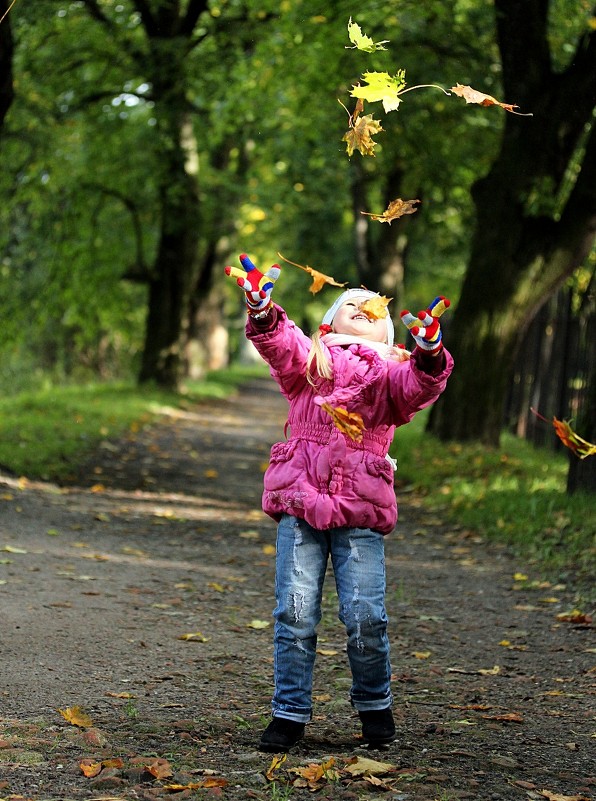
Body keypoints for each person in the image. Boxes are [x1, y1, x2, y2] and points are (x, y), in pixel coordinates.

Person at [225, 253, 454, 752]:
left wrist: (430, 352)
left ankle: (374, 707)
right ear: (328, 322)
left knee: (365, 616)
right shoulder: (310, 361)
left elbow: (420, 386)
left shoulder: (391, 376)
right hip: (302, 504)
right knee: (294, 611)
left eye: (376, 311)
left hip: (359, 510)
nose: (365, 309)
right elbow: (279, 344)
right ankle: (289, 713)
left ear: (391, 337)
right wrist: (262, 308)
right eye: (354, 304)